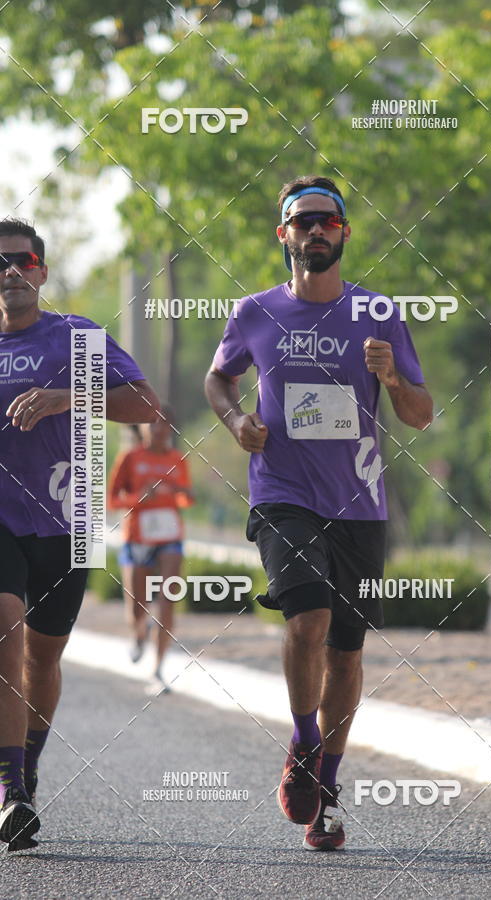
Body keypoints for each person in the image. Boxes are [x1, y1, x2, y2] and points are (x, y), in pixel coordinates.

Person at [205, 175, 432, 851]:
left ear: (344, 232)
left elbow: (420, 415)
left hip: (358, 502)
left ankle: (325, 789)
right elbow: (219, 377)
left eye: (326, 221)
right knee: (307, 619)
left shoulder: (378, 313)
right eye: (302, 221)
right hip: (282, 493)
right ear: (284, 235)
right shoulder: (254, 312)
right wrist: (236, 419)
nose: (314, 231)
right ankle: (304, 743)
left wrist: (392, 378)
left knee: (347, 652)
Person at [0, 218, 160, 850]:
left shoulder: (77, 336)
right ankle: (10, 789)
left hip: (70, 522)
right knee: (6, 635)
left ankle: (28, 766)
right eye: (0, 263)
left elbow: (146, 406)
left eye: (22, 261)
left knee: (43, 658)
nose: (11, 272)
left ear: (41, 270)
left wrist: (69, 396)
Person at [108, 404, 194, 690]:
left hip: (170, 536)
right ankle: (138, 632)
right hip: (137, 537)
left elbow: (187, 500)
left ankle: (158, 669)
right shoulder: (130, 457)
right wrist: (139, 497)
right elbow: (111, 500)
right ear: (142, 426)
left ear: (171, 428)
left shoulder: (177, 459)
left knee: (168, 599)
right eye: (153, 422)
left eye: (165, 423)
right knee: (137, 606)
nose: (159, 428)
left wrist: (181, 492)